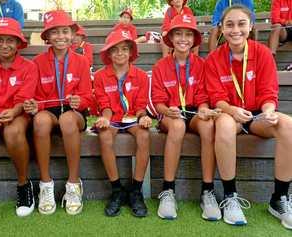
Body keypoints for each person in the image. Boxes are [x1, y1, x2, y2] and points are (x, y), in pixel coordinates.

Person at [205, 5, 292, 228]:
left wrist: (269, 111)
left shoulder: (262, 53)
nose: (236, 30)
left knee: (288, 125)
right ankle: (230, 196)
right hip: (230, 114)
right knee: (223, 124)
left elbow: (269, 92)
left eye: (242, 24)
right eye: (230, 24)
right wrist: (232, 110)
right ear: (221, 29)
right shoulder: (214, 58)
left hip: (257, 115)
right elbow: (216, 98)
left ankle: (279, 199)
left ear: (251, 26)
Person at [152, 13, 221, 220]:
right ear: (171, 38)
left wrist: (203, 108)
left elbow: (202, 96)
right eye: (178, 34)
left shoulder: (201, 64)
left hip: (193, 111)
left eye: (188, 35)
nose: (183, 39)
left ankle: (207, 191)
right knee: (178, 126)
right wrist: (167, 111)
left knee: (208, 125)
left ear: (194, 39)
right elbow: (158, 102)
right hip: (170, 114)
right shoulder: (160, 66)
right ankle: (168, 191)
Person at [23, 10, 92, 216]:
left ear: (72, 34)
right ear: (47, 37)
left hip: (74, 112)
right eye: (55, 32)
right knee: (41, 122)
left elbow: (89, 97)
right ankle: (45, 184)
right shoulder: (37, 62)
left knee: (68, 119)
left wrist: (81, 101)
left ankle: (73, 184)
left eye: (65, 31)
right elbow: (33, 96)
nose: (60, 36)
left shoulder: (81, 61)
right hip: (48, 111)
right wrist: (34, 106)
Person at [0, 17, 37, 229]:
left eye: (10, 40)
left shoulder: (29, 67)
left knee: (13, 133)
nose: (4, 45)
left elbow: (24, 98)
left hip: (18, 114)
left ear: (18, 43)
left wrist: (14, 111)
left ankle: (23, 185)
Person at [93, 29, 152, 217]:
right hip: (112, 118)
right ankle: (117, 190)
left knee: (143, 134)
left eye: (124, 49)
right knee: (104, 136)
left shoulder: (141, 76)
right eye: (115, 49)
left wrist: (143, 117)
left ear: (131, 52)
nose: (120, 53)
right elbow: (105, 105)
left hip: (132, 118)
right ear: (108, 53)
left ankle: (136, 190)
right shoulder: (101, 76)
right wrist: (105, 119)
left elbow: (141, 106)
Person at [268, 0, 292, 70]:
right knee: (276, 27)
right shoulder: (277, 1)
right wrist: (286, 22)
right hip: (285, 29)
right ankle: (271, 61)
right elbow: (275, 19)